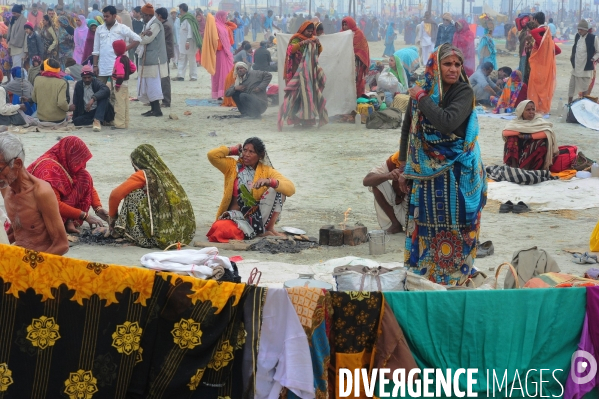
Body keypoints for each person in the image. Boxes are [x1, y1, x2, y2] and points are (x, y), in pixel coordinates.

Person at [398, 43, 486, 285]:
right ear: (436, 65)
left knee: (458, 223)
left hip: (459, 168)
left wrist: (422, 98)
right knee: (426, 221)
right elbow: (408, 128)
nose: (453, 69)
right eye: (447, 63)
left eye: (457, 64)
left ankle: (455, 274)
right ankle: (428, 271)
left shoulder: (463, 92)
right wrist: (404, 166)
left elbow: (446, 123)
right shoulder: (423, 90)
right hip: (426, 170)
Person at [107, 144, 196, 249]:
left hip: (163, 237)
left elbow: (115, 195)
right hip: (182, 235)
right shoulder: (164, 173)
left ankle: (140, 237)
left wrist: (112, 218)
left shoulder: (143, 175)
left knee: (133, 194)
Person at [207, 138, 295, 240]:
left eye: (251, 152)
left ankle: (268, 228)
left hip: (257, 218)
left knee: (277, 190)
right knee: (218, 228)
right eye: (245, 150)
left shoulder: (267, 171)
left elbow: (291, 188)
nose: (246, 154)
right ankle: (255, 232)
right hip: (234, 216)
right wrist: (233, 150)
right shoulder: (232, 167)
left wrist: (269, 181)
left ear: (260, 155)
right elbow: (212, 155)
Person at [0, 132, 69, 255]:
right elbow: (16, 232)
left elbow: (62, 244)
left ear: (17, 164)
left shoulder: (41, 192)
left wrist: (34, 267)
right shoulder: (6, 189)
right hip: (18, 262)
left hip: (40, 266)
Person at [27, 136, 107, 234]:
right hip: (38, 213)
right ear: (71, 155)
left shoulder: (63, 160)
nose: (83, 165)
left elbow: (87, 184)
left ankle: (68, 220)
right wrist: (84, 216)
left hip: (51, 205)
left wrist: (98, 208)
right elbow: (53, 204)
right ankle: (64, 222)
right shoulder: (49, 170)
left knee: (84, 175)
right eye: (79, 161)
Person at [278, 21, 327, 130]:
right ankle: (295, 121)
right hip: (295, 72)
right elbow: (291, 50)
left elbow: (319, 52)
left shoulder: (313, 38)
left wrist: (318, 44)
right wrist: (303, 43)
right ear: (303, 29)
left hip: (307, 73)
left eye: (311, 31)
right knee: (295, 97)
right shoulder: (296, 38)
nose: (310, 33)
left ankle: (307, 121)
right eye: (308, 31)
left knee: (308, 97)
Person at [502, 100, 558, 170]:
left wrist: (528, 136)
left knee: (540, 142)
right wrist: (521, 132)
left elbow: (548, 133)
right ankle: (513, 167)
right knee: (512, 139)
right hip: (520, 149)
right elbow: (505, 132)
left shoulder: (538, 120)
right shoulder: (516, 122)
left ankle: (525, 167)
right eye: (528, 110)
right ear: (521, 111)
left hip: (531, 153)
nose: (531, 112)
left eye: (533, 109)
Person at [92, 6, 141, 84]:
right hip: (102, 67)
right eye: (104, 16)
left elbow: (138, 39)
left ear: (114, 16)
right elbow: (96, 49)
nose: (105, 18)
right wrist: (95, 66)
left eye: (107, 16)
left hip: (118, 67)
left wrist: (125, 49)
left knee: (115, 94)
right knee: (100, 91)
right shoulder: (99, 29)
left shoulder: (122, 28)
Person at [362, 151, 408, 234]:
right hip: (400, 209)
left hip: (417, 216)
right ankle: (395, 224)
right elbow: (366, 180)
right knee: (377, 182)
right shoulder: (396, 159)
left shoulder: (426, 161)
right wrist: (388, 175)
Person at [136, 3, 167, 117]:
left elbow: (146, 39)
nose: (142, 17)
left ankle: (157, 110)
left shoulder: (156, 24)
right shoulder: (148, 24)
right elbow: (143, 36)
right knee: (147, 85)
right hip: (147, 58)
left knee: (153, 85)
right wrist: (142, 34)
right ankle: (153, 109)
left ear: (147, 15)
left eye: (143, 15)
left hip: (154, 59)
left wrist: (140, 36)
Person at [528, 12, 558, 114]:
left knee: (536, 87)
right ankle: (542, 107)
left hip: (538, 66)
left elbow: (534, 32)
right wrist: (548, 57)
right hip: (546, 67)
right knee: (543, 88)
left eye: (533, 20)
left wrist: (545, 28)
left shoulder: (541, 36)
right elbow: (557, 50)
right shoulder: (548, 39)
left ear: (536, 20)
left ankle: (536, 107)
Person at [70, 64, 114, 130]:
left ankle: (97, 120)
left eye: (89, 77)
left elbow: (106, 90)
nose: (87, 79)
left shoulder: (97, 82)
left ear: (92, 77)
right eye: (85, 78)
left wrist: (93, 99)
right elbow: (76, 101)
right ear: (82, 77)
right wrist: (74, 116)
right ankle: (97, 121)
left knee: (103, 98)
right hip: (88, 112)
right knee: (77, 121)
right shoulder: (79, 85)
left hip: (100, 110)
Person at [202, 11, 234, 99]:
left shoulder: (224, 25)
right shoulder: (215, 25)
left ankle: (226, 92)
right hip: (219, 52)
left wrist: (227, 21)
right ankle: (219, 93)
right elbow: (213, 38)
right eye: (224, 16)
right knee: (219, 73)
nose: (226, 18)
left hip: (226, 51)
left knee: (227, 71)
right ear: (220, 16)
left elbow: (234, 26)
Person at [568, 19, 599, 103]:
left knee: (585, 92)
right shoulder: (577, 36)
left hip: (586, 70)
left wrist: (593, 58)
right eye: (578, 29)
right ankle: (569, 107)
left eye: (581, 29)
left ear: (586, 29)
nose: (579, 31)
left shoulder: (593, 38)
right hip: (576, 69)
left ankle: (584, 107)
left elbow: (598, 51)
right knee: (571, 90)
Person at [32, 59, 69, 124]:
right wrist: (68, 108)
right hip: (58, 120)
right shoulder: (62, 82)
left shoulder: (37, 79)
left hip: (42, 119)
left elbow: (34, 99)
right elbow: (62, 103)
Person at [342, 16, 370, 97]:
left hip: (356, 62)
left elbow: (363, 48)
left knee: (355, 81)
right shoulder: (341, 34)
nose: (344, 27)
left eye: (346, 25)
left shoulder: (358, 34)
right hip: (345, 62)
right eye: (343, 25)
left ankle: (356, 98)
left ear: (351, 25)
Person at [173, 3, 201, 81]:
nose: (179, 10)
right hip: (182, 44)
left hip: (189, 43)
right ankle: (180, 76)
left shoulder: (188, 18)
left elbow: (190, 31)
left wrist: (188, 41)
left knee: (191, 59)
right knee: (182, 58)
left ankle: (193, 76)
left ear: (181, 9)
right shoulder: (183, 18)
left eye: (179, 9)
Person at [111, 39, 136, 128]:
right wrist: (127, 74)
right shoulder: (126, 58)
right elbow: (133, 68)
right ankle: (126, 122)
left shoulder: (119, 60)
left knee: (119, 105)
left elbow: (120, 74)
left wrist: (118, 84)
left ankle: (119, 124)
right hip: (126, 84)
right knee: (125, 104)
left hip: (120, 86)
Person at [156, 7, 174, 108]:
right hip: (161, 54)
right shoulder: (163, 25)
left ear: (160, 16)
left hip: (164, 54)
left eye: (156, 15)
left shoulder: (165, 26)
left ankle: (166, 101)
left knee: (164, 78)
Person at [7, 4, 27, 70]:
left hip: (20, 49)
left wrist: (26, 51)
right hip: (12, 48)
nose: (13, 15)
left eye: (14, 13)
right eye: (12, 13)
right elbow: (10, 36)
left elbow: (25, 38)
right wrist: (9, 47)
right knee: (15, 67)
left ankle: (16, 80)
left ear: (18, 13)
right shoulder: (12, 21)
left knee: (16, 68)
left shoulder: (24, 21)